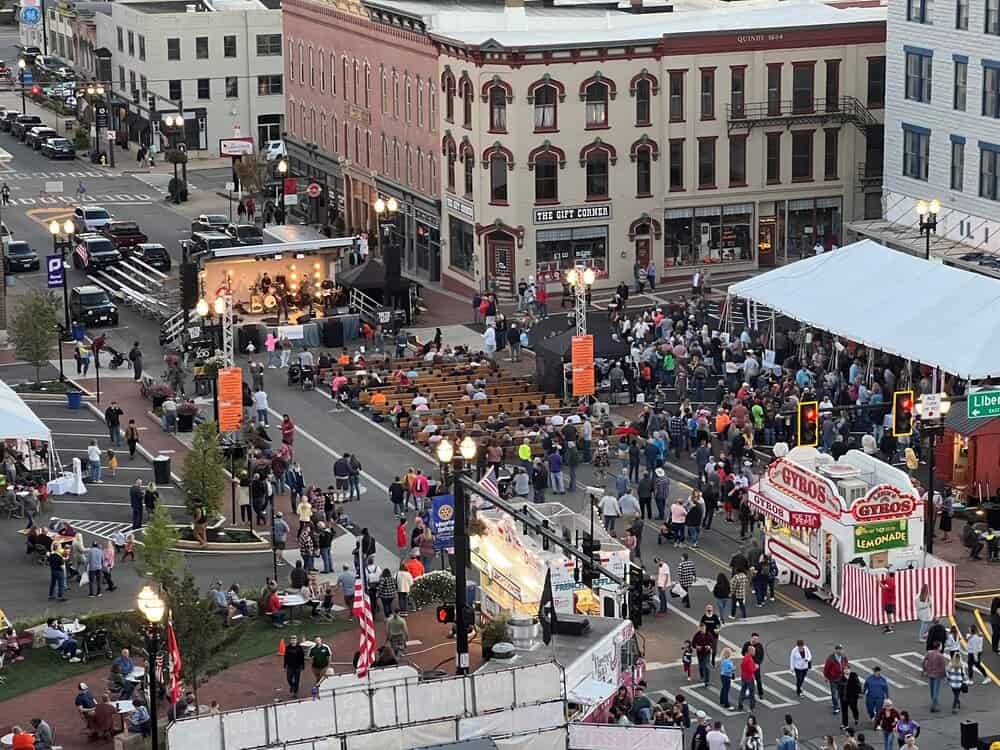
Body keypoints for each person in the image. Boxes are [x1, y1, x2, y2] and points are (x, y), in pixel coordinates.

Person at [823, 644, 849, 714]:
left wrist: (847, 673)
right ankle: (836, 707)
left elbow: (846, 665)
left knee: (840, 693)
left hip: (842, 678)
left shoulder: (844, 657)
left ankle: (835, 702)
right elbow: (826, 668)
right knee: (834, 694)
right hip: (833, 679)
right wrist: (826, 677)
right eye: (839, 649)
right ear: (836, 650)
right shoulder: (830, 658)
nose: (840, 651)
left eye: (841, 649)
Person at [922, 643, 946, 712]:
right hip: (937, 675)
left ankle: (934, 702)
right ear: (938, 647)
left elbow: (923, 661)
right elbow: (943, 667)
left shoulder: (929, 653)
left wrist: (924, 669)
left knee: (932, 689)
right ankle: (934, 706)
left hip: (930, 673)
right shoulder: (940, 656)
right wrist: (944, 675)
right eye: (941, 646)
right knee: (936, 691)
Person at [840, 666, 862, 731]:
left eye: (847, 669)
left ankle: (856, 718)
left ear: (850, 670)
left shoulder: (854, 675)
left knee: (854, 708)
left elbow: (858, 684)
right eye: (845, 669)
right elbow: (839, 686)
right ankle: (845, 724)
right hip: (844, 697)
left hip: (852, 696)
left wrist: (859, 692)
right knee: (844, 711)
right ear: (843, 670)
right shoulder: (841, 677)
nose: (846, 670)